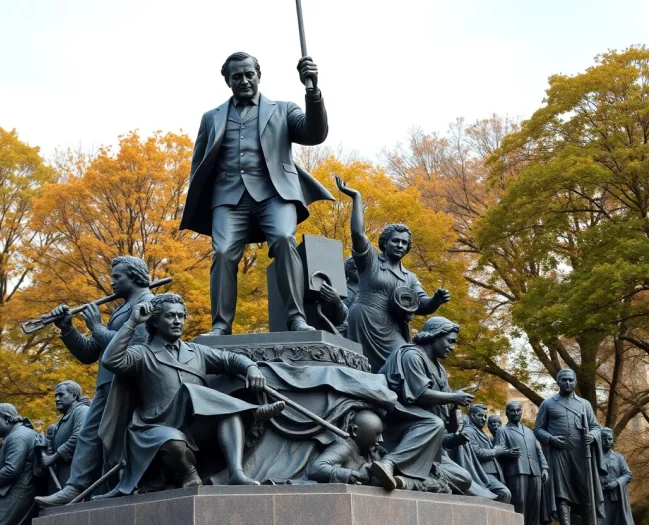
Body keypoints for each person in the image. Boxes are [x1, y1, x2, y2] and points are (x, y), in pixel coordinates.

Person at [180, 51, 334, 335]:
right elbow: (198, 166)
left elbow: (314, 134)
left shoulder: (283, 109)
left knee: (285, 240)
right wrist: (200, 204)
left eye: (249, 74)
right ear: (228, 81)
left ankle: (296, 318)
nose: (244, 80)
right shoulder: (210, 118)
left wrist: (312, 91)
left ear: (258, 75)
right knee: (223, 252)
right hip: (228, 197)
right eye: (236, 76)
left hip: (275, 194)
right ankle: (220, 326)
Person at [96, 293, 286, 497]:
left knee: (226, 414)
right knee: (180, 418)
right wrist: (133, 321)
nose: (177, 321)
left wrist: (251, 367)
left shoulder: (196, 352)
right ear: (155, 320)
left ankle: (236, 473)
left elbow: (230, 359)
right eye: (170, 316)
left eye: (181, 316)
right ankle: (248, 415)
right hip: (155, 427)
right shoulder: (142, 353)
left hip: (194, 426)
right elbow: (111, 360)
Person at [35, 256, 154, 507]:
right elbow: (90, 353)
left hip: (126, 383)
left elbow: (135, 347)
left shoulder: (148, 303)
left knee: (105, 439)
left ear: (132, 277)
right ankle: (75, 487)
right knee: (90, 436)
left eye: (117, 277)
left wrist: (97, 327)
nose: (111, 282)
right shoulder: (122, 308)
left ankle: (96, 487)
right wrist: (67, 328)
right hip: (107, 383)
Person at [335, 177, 450, 372]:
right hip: (365, 320)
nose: (399, 245)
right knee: (365, 369)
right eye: (395, 241)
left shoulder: (409, 277)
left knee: (404, 363)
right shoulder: (370, 261)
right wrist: (357, 198)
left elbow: (421, 305)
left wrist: (436, 300)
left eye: (404, 243)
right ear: (385, 242)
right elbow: (358, 235)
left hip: (393, 328)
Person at [371, 317, 473, 493]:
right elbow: (418, 395)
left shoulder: (441, 369)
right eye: (450, 341)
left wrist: (455, 408)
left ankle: (406, 482)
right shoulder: (411, 355)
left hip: (428, 435)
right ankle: (389, 462)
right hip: (399, 421)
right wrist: (453, 397)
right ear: (434, 336)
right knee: (433, 422)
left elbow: (447, 416)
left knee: (464, 479)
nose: (452, 347)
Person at [534, 369, 606, 525]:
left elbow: (596, 427)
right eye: (564, 380)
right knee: (561, 493)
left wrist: (592, 435)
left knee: (585, 492)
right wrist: (551, 439)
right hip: (559, 453)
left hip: (581, 454)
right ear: (558, 382)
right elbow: (538, 429)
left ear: (575, 382)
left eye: (571, 380)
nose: (568, 383)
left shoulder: (584, 404)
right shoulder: (548, 404)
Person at [499, 401, 549, 525]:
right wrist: (508, 453)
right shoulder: (503, 430)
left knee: (535, 504)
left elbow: (539, 451)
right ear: (507, 413)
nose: (516, 413)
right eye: (512, 410)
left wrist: (544, 468)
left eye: (518, 410)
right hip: (516, 470)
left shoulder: (529, 431)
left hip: (535, 471)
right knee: (519, 503)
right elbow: (498, 451)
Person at [306, 409, 383, 484]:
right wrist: (353, 475)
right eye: (377, 434)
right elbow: (316, 469)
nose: (381, 440)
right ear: (355, 431)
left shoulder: (371, 451)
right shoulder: (344, 446)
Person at [42, 381, 91, 493]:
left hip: (76, 471)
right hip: (63, 472)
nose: (57, 399)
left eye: (61, 395)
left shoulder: (81, 410)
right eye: (55, 396)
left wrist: (53, 457)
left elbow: (79, 436)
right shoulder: (63, 419)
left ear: (74, 396)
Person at [461, 404, 513, 503]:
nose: (484, 419)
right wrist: (495, 451)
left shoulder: (481, 432)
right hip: (482, 473)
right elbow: (477, 452)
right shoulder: (468, 431)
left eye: (485, 416)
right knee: (504, 492)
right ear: (472, 416)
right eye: (480, 415)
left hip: (494, 473)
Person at [600, 427, 635, 525]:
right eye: (604, 438)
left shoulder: (618, 458)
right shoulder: (593, 459)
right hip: (600, 498)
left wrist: (616, 483)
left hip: (616, 497)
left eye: (610, 439)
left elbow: (628, 474)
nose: (607, 441)